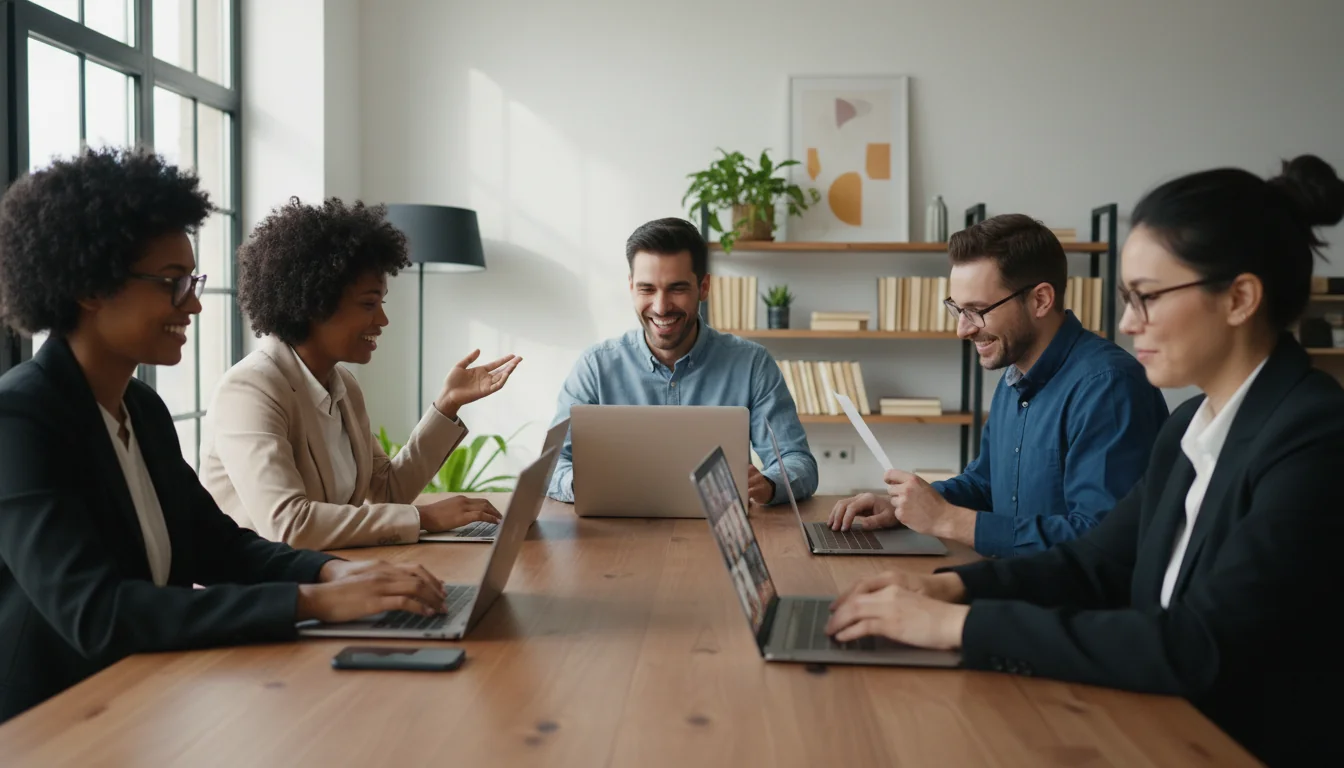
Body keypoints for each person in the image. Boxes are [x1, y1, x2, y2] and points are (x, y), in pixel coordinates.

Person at [824, 155, 1344, 767]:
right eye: (1127, 298)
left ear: (1239, 299)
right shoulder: (1189, 426)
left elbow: (1200, 644)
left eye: (1147, 298)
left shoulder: (1316, 437)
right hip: (1157, 721)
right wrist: (943, 587)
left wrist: (956, 627)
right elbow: (1095, 561)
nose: (1127, 322)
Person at [0, 148, 450, 723]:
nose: (192, 304)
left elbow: (217, 544)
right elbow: (97, 612)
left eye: (192, 281)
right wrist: (311, 601)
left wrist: (332, 570)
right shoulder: (23, 420)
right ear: (89, 287)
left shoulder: (141, 408)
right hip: (50, 719)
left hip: (139, 695)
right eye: (172, 282)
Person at [829, 214, 1169, 557]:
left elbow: (1100, 542)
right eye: (957, 309)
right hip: (1009, 584)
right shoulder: (1014, 377)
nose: (963, 329)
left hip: (1067, 606)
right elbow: (986, 484)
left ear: (1040, 300)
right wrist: (907, 507)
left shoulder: (1109, 388)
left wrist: (948, 520)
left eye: (977, 310)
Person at [198, 198, 520, 551]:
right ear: (313, 304)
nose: (382, 321)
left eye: (381, 303)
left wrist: (447, 405)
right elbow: (289, 525)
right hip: (263, 593)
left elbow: (387, 488)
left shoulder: (342, 386)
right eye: (369, 304)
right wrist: (423, 517)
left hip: (331, 574)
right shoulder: (250, 390)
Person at [546, 217, 817, 506]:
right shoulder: (595, 366)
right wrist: (582, 484)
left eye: (677, 288)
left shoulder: (752, 364)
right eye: (647, 289)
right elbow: (550, 465)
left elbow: (797, 461)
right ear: (631, 286)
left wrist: (769, 483)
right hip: (618, 535)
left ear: (703, 287)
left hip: (721, 533)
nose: (661, 307)